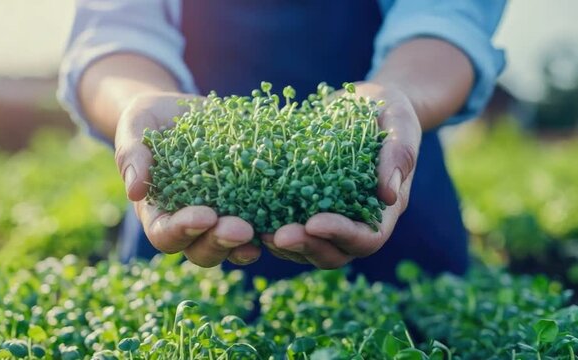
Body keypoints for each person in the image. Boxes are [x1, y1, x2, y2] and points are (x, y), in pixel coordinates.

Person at [58, 0, 506, 283]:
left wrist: (400, 98)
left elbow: (446, 16)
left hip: (391, 189)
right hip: (188, 233)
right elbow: (113, 32)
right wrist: (141, 101)